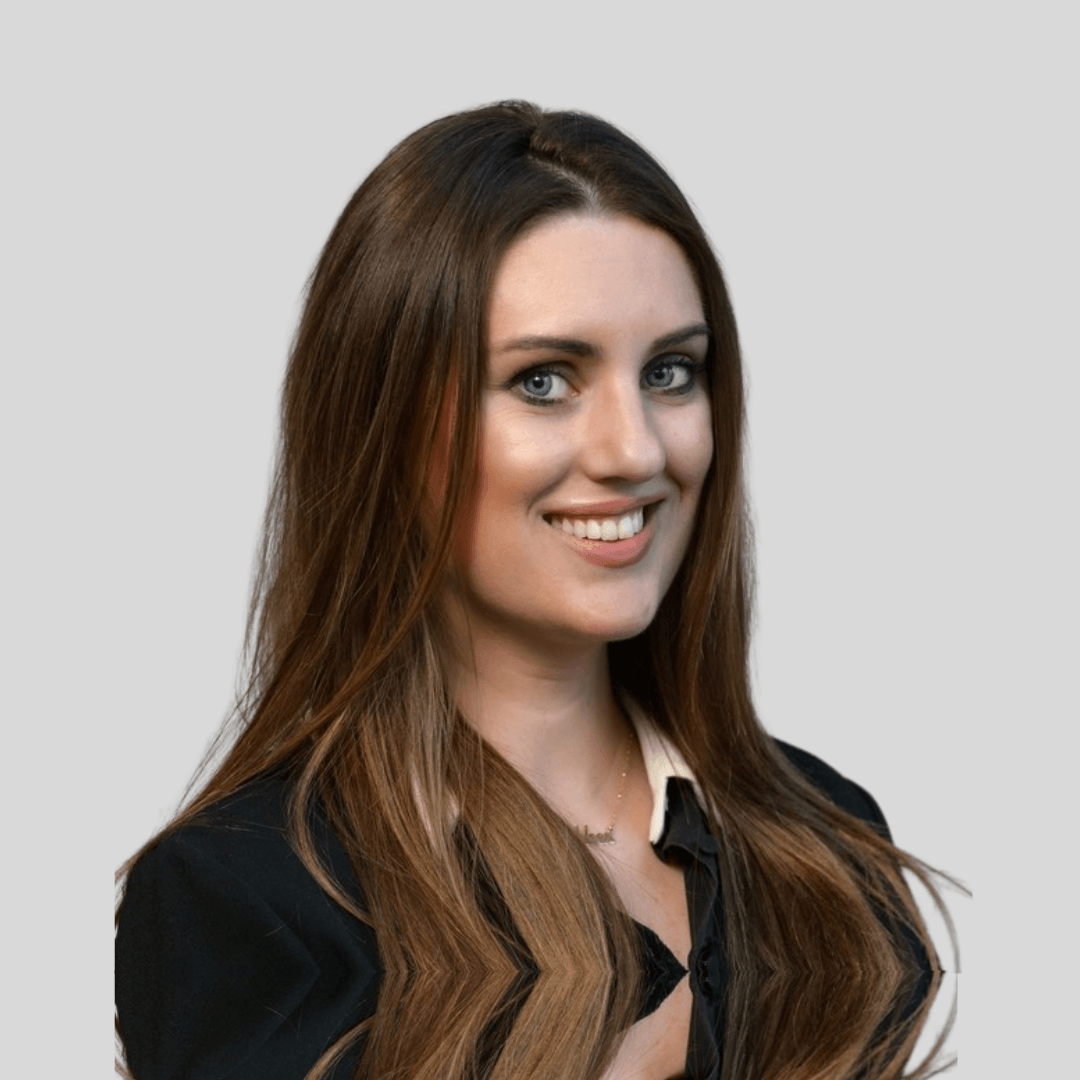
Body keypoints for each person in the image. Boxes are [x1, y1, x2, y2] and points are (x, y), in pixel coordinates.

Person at [115, 101, 956, 1080]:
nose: (636, 450)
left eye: (671, 373)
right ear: (382, 424)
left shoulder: (831, 845)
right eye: (545, 381)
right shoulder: (242, 895)